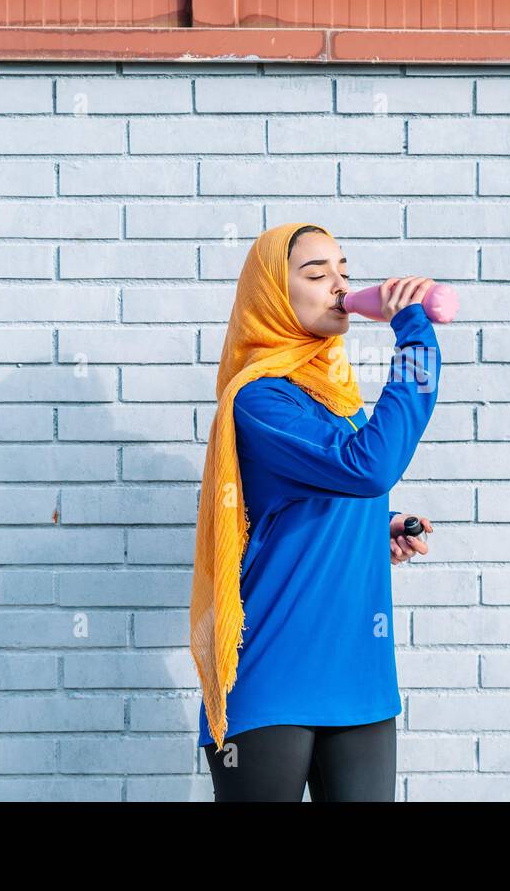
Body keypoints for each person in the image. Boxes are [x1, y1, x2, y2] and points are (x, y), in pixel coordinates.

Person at [189, 221, 441, 801]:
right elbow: (369, 466)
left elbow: (328, 493)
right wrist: (413, 339)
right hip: (274, 679)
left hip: (361, 678)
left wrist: (375, 529)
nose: (338, 285)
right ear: (274, 295)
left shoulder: (340, 401)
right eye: (316, 272)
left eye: (344, 272)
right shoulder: (260, 399)